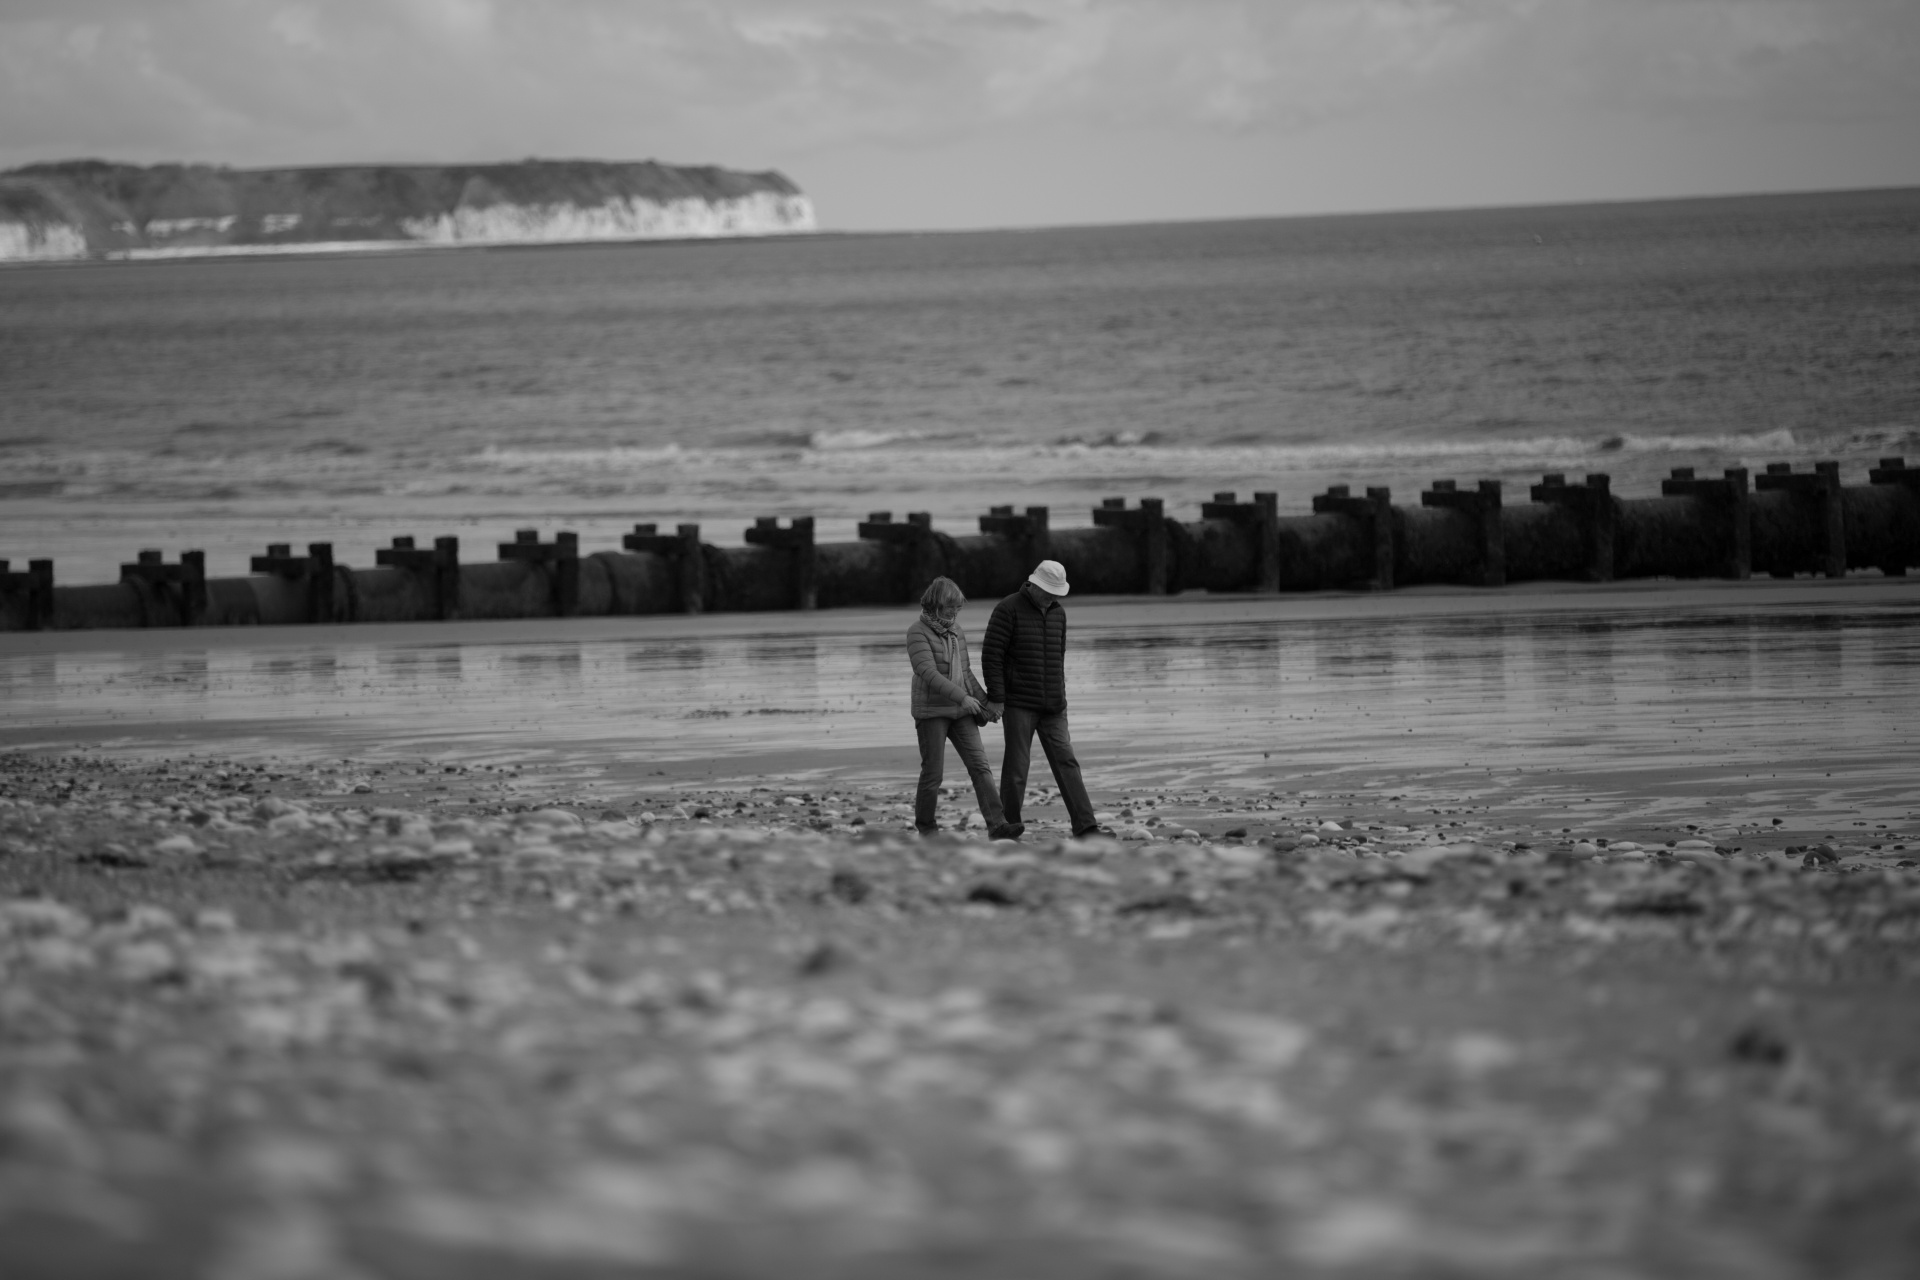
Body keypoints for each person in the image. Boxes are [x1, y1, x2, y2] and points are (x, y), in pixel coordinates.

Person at [980, 559, 1111, 839]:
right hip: (1018, 703)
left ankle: (1087, 828)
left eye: (1057, 592)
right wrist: (996, 698)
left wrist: (1061, 695)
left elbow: (1058, 658)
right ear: (1034, 585)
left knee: (1068, 762)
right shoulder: (1008, 608)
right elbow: (991, 656)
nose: (1053, 597)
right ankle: (1007, 828)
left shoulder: (1058, 613)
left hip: (1054, 706)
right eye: (1049, 591)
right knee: (1017, 767)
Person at [906, 577, 1025, 840]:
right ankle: (927, 830)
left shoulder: (956, 631)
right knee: (933, 774)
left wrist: (986, 703)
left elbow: (966, 672)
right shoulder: (917, 631)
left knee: (980, 767)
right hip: (932, 713)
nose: (955, 612)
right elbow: (927, 672)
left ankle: (998, 825)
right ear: (937, 603)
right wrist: (963, 698)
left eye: (958, 608)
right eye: (951, 607)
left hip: (961, 713)